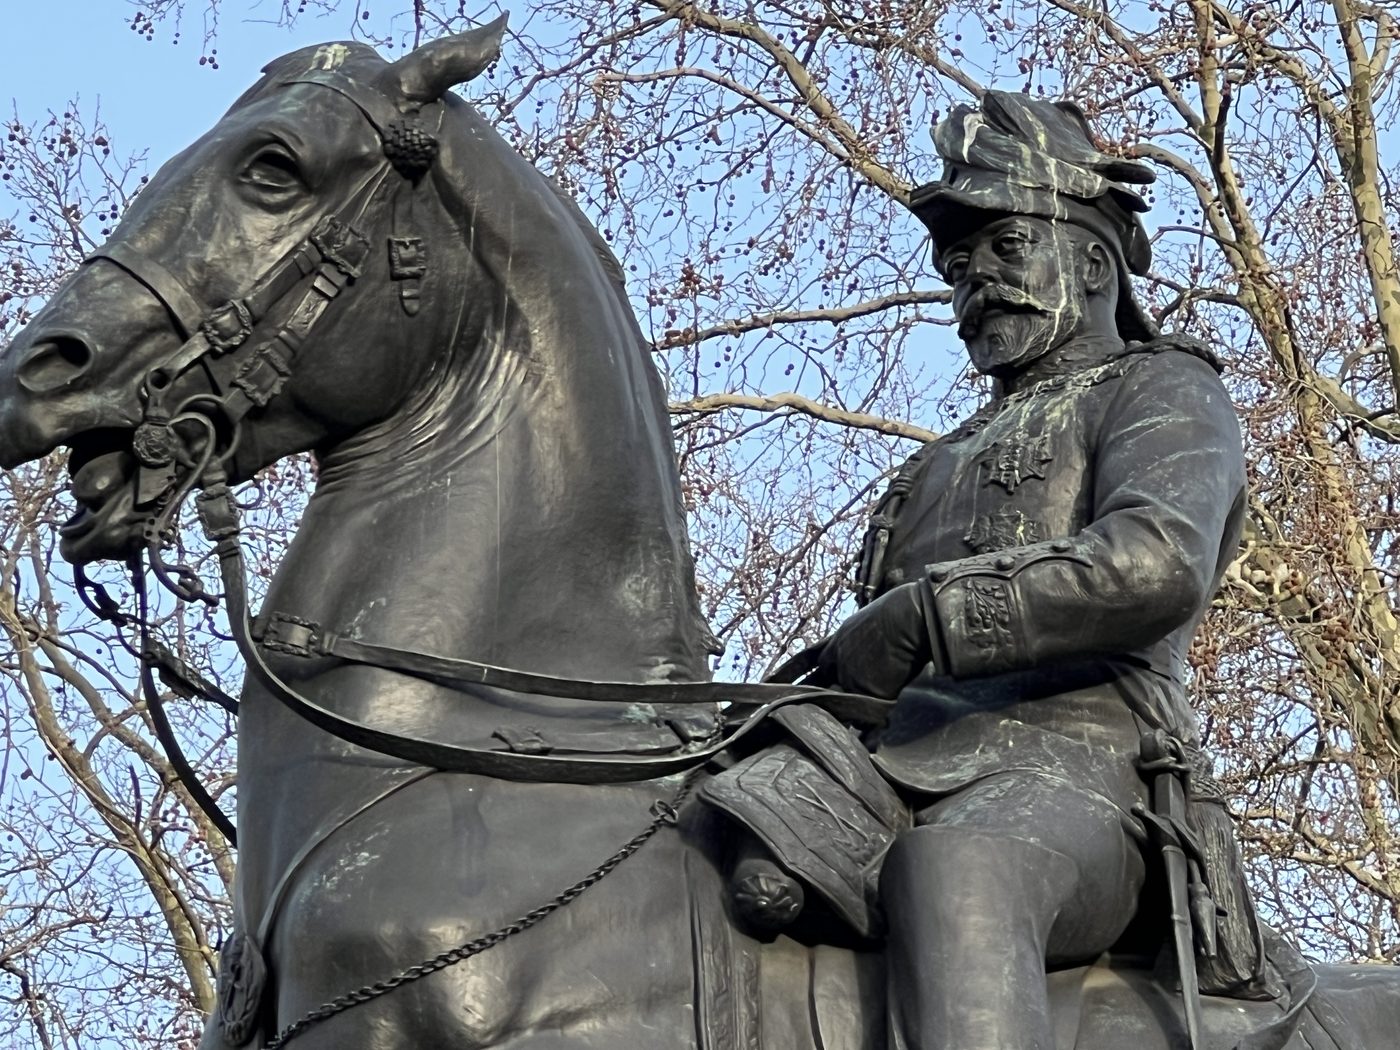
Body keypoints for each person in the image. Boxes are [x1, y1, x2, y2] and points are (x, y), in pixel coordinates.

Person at [811, 93, 1249, 1049]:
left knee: (958, 874)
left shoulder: (1163, 387)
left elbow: (1159, 560)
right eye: (958, 268)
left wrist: (932, 616)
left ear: (1092, 263)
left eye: (1006, 249)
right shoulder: (937, 459)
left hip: (1085, 770)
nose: (976, 284)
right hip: (897, 759)